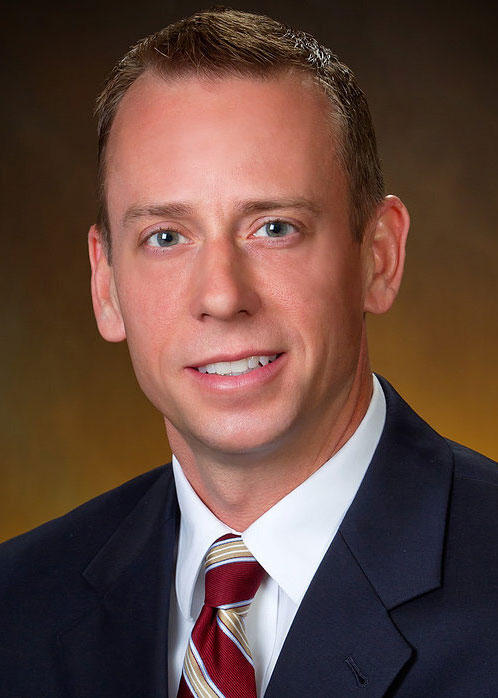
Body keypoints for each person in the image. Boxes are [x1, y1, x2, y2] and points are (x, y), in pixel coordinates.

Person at [1, 7, 497, 697]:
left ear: (378, 257)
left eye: (274, 226)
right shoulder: (16, 606)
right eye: (167, 237)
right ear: (106, 282)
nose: (223, 296)